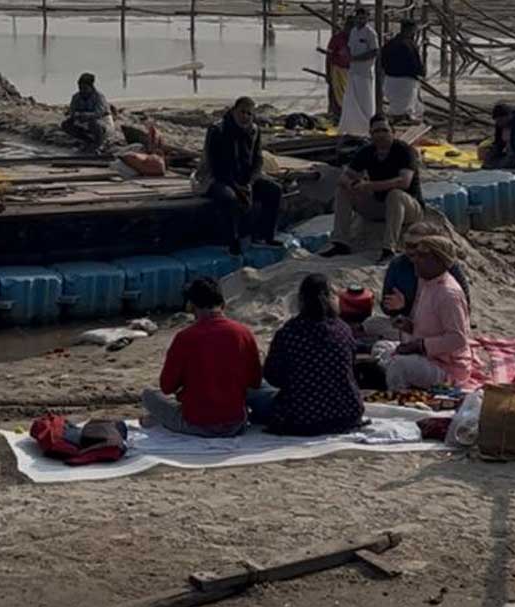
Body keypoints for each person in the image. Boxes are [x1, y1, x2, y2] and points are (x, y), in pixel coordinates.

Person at [141, 277, 262, 437]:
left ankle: (157, 420)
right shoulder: (243, 333)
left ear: (191, 306)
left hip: (196, 424)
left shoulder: (185, 337)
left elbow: (167, 387)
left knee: (149, 395)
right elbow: (255, 382)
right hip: (236, 422)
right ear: (222, 303)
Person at [249, 274, 365, 435]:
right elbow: (350, 367)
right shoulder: (343, 330)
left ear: (301, 300)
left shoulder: (289, 333)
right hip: (346, 415)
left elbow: (272, 376)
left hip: (301, 418)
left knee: (255, 390)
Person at [320, 114, 424, 263]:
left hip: (408, 207)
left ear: (392, 133)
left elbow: (404, 182)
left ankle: (389, 248)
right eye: (376, 131)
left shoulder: (404, 151)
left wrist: (369, 186)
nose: (380, 135)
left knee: (395, 195)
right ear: (370, 134)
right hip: (379, 206)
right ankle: (340, 242)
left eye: (384, 130)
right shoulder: (366, 152)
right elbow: (344, 176)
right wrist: (352, 185)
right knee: (342, 190)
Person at [373, 236, 472, 390]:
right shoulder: (425, 283)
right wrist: (409, 326)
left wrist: (419, 346)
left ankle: (400, 396)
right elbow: (430, 326)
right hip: (425, 355)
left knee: (399, 365)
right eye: (416, 254)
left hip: (447, 366)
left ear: (439, 261)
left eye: (422, 256)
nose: (415, 260)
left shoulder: (448, 294)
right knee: (381, 347)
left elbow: (458, 339)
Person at [193, 97, 283, 256]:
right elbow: (216, 165)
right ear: (234, 111)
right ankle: (231, 241)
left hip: (244, 178)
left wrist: (250, 182)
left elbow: (257, 160)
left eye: (249, 113)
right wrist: (238, 187)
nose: (245, 117)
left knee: (274, 190)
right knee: (230, 199)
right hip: (217, 178)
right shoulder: (218, 130)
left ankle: (264, 236)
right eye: (242, 112)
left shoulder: (254, 130)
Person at [380, 221, 470, 318]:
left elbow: (465, 306)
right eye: (407, 245)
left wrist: (407, 306)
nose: (410, 251)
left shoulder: (447, 265)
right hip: (405, 323)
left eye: (415, 246)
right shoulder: (398, 264)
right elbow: (386, 305)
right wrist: (396, 307)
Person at [338, 7, 379, 137]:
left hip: (365, 72)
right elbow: (350, 48)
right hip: (353, 71)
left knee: (365, 101)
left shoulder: (370, 33)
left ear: (367, 18)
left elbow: (374, 51)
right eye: (358, 17)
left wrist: (356, 58)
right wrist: (346, 54)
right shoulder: (354, 31)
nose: (360, 20)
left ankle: (366, 128)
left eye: (363, 17)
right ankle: (351, 128)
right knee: (351, 100)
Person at [381, 20, 424, 123]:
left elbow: (382, 60)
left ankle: (399, 117)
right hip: (405, 79)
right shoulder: (408, 44)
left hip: (390, 78)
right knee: (407, 101)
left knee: (398, 102)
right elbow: (415, 62)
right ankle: (403, 117)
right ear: (410, 30)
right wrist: (421, 72)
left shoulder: (390, 43)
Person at [61, 73, 114, 148]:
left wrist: (85, 115)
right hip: (83, 122)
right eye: (80, 88)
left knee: (94, 124)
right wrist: (74, 115)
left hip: (101, 123)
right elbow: (72, 111)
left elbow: (98, 113)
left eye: (85, 88)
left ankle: (98, 144)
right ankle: (85, 140)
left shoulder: (99, 97)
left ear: (91, 87)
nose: (82, 91)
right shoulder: (76, 97)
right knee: (66, 124)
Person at [482, 103, 515, 170]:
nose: (499, 123)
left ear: (509, 116)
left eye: (500, 120)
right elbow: (499, 143)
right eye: (497, 121)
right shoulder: (500, 125)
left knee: (507, 162)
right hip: (511, 153)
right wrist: (491, 152)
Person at [325, 16, 354, 118]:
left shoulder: (357, 39)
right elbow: (329, 57)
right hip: (338, 70)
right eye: (349, 26)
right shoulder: (337, 38)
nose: (350, 29)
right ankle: (336, 115)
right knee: (335, 96)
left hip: (352, 72)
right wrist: (328, 73)